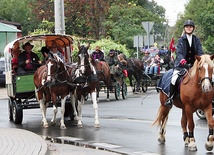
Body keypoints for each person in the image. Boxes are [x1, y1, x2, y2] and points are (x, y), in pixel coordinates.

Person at [165, 19, 204, 107]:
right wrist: (183, 60)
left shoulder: (196, 40)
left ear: (193, 28)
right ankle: (170, 98)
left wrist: (201, 59)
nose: (189, 28)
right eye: (187, 27)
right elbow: (179, 53)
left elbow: (200, 52)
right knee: (174, 78)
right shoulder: (180, 40)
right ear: (185, 29)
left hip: (195, 65)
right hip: (182, 65)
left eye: (190, 27)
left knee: (208, 76)